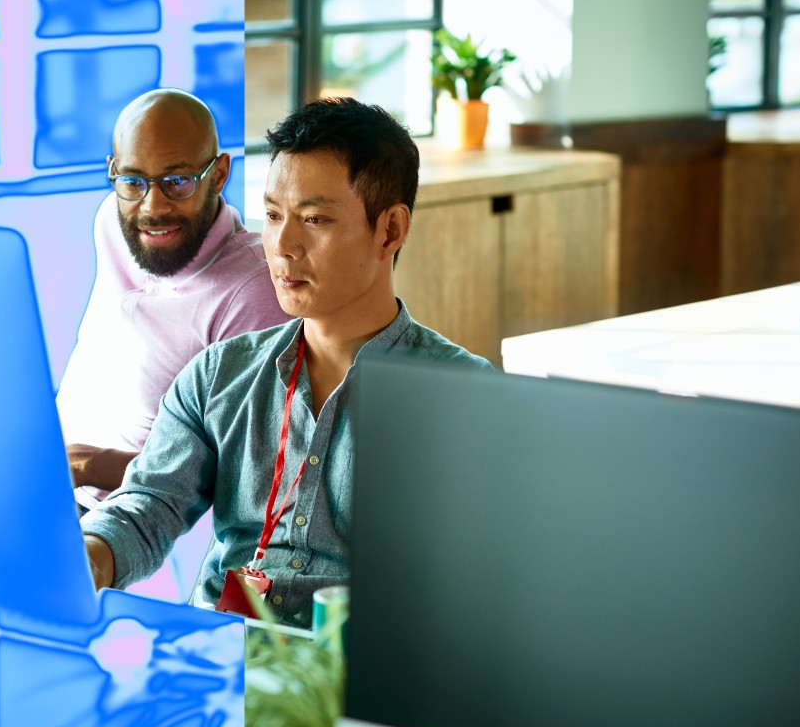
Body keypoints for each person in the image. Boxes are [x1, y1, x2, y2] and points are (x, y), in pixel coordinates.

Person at [81, 97, 494, 628]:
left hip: (350, 678)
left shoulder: (463, 395)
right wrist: (92, 553)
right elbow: (149, 506)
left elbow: (473, 587)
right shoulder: (218, 376)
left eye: (315, 219)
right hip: (220, 655)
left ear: (390, 230)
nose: (283, 245)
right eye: (273, 215)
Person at [56, 89, 289, 511]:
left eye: (177, 181)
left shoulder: (253, 291)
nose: (152, 206)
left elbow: (244, 478)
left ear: (218, 175)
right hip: (48, 481)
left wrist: (88, 465)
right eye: (133, 181)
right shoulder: (112, 220)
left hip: (123, 519)